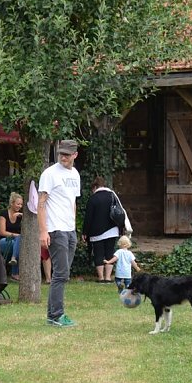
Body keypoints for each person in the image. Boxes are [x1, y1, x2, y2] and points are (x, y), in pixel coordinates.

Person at [38, 139, 82, 327]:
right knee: (61, 274)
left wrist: (74, 227)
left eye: (67, 154)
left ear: (75, 155)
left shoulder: (75, 174)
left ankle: (52, 315)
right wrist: (43, 231)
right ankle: (57, 315)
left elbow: (73, 202)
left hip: (69, 230)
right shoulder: (49, 174)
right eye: (61, 154)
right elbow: (41, 203)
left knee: (62, 274)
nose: (63, 157)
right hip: (55, 230)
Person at [82, 176, 131, 284]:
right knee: (109, 253)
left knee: (98, 253)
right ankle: (108, 277)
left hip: (96, 231)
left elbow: (88, 217)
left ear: (95, 187)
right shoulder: (112, 196)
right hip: (112, 230)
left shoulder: (93, 199)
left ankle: (101, 278)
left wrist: (85, 232)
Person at [0, 192, 23, 280]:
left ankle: (13, 258)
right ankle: (14, 273)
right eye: (18, 204)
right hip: (4, 240)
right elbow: (2, 232)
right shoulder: (4, 214)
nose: (20, 206)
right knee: (19, 240)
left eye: (21, 204)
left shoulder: (20, 216)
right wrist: (17, 235)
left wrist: (23, 216)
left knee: (19, 242)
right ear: (12, 203)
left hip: (16, 242)